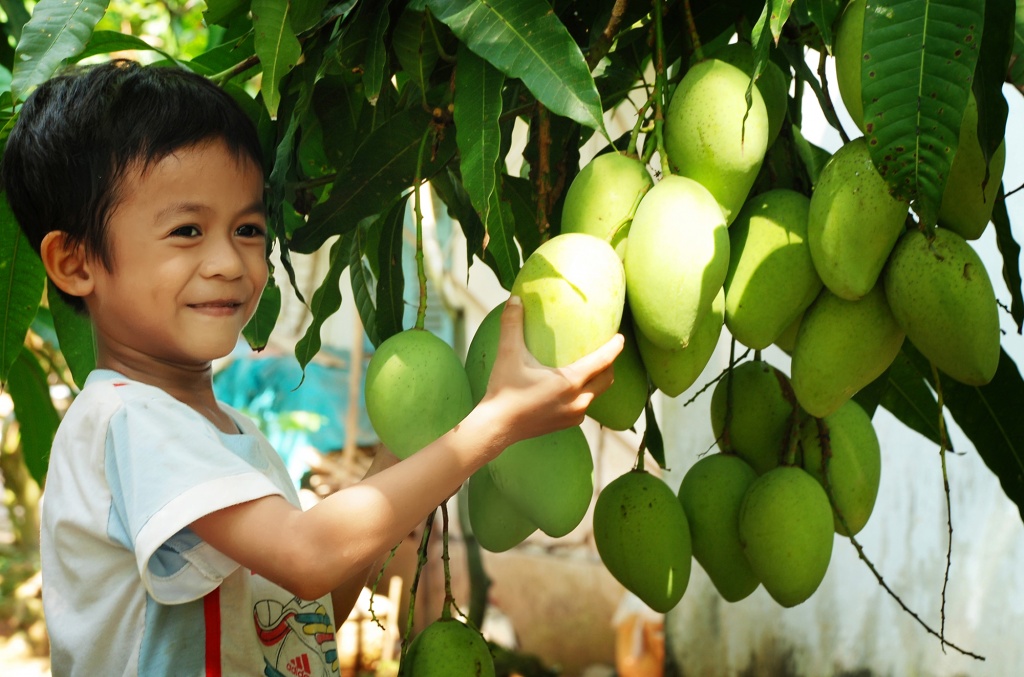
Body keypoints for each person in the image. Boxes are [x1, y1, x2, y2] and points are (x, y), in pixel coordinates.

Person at [1, 60, 623, 676]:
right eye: (187, 230)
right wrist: (491, 428)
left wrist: (403, 457)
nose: (228, 261)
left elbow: (303, 620)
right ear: (75, 262)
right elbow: (307, 556)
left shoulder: (234, 439)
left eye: (247, 228)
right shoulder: (128, 423)